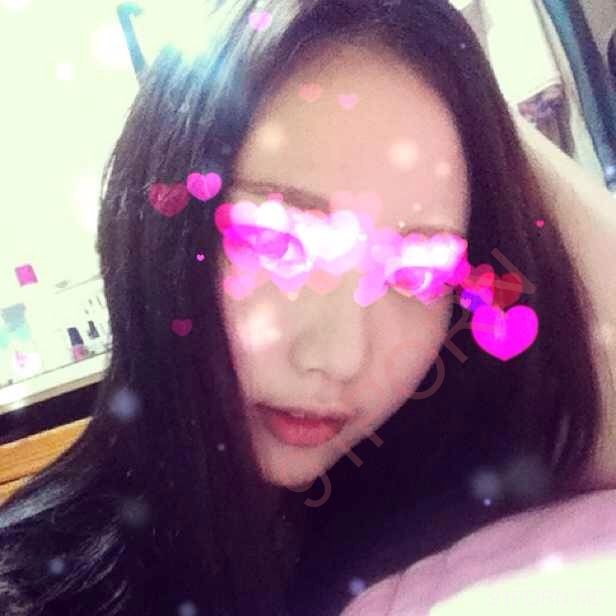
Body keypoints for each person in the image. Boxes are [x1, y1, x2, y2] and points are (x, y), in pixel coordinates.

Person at [0, 1, 612, 614]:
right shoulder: (34, 593)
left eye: (419, 270)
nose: (339, 356)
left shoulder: (447, 493)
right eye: (274, 241)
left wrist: (482, 108)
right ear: (157, 232)